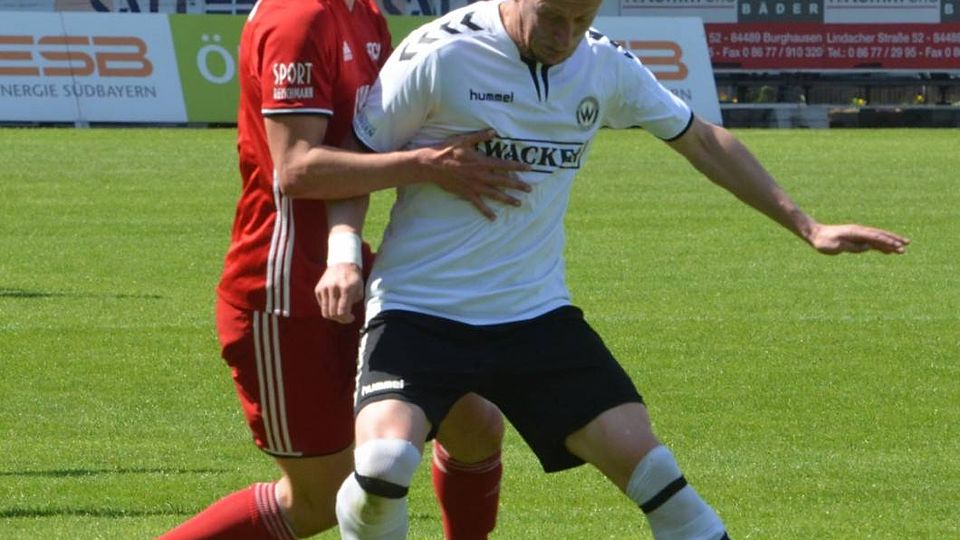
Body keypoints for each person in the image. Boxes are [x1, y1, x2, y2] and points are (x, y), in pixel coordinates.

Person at [317, 0, 912, 538]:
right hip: (420, 308)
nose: (566, 37)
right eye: (553, 18)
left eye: (582, 20)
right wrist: (343, 255)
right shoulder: (441, 52)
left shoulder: (603, 64)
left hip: (534, 314)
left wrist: (808, 226)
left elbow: (702, 141)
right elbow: (353, 160)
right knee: (384, 466)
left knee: (664, 485)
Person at [158, 0, 532, 538]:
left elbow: (374, 136)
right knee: (318, 502)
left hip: (353, 274)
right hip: (284, 291)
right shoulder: (297, 18)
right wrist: (428, 166)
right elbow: (298, 170)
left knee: (475, 424)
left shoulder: (365, 14)